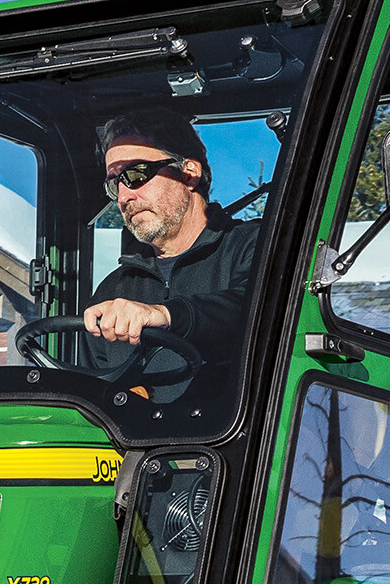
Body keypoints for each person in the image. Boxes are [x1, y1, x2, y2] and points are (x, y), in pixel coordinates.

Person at [81, 108, 262, 383]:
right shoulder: (113, 291)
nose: (123, 197)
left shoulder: (254, 245)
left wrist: (165, 315)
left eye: (135, 174)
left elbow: (255, 311)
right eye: (115, 183)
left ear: (189, 173)